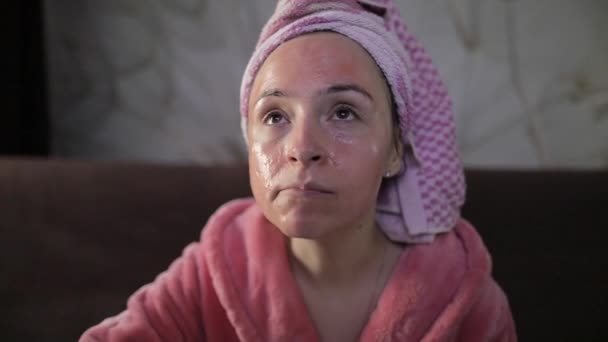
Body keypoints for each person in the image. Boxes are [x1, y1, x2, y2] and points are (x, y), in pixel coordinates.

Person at [80, 0, 516, 341]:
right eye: (274, 117)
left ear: (396, 152)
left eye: (344, 112)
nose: (302, 148)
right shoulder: (212, 272)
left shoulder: (467, 301)